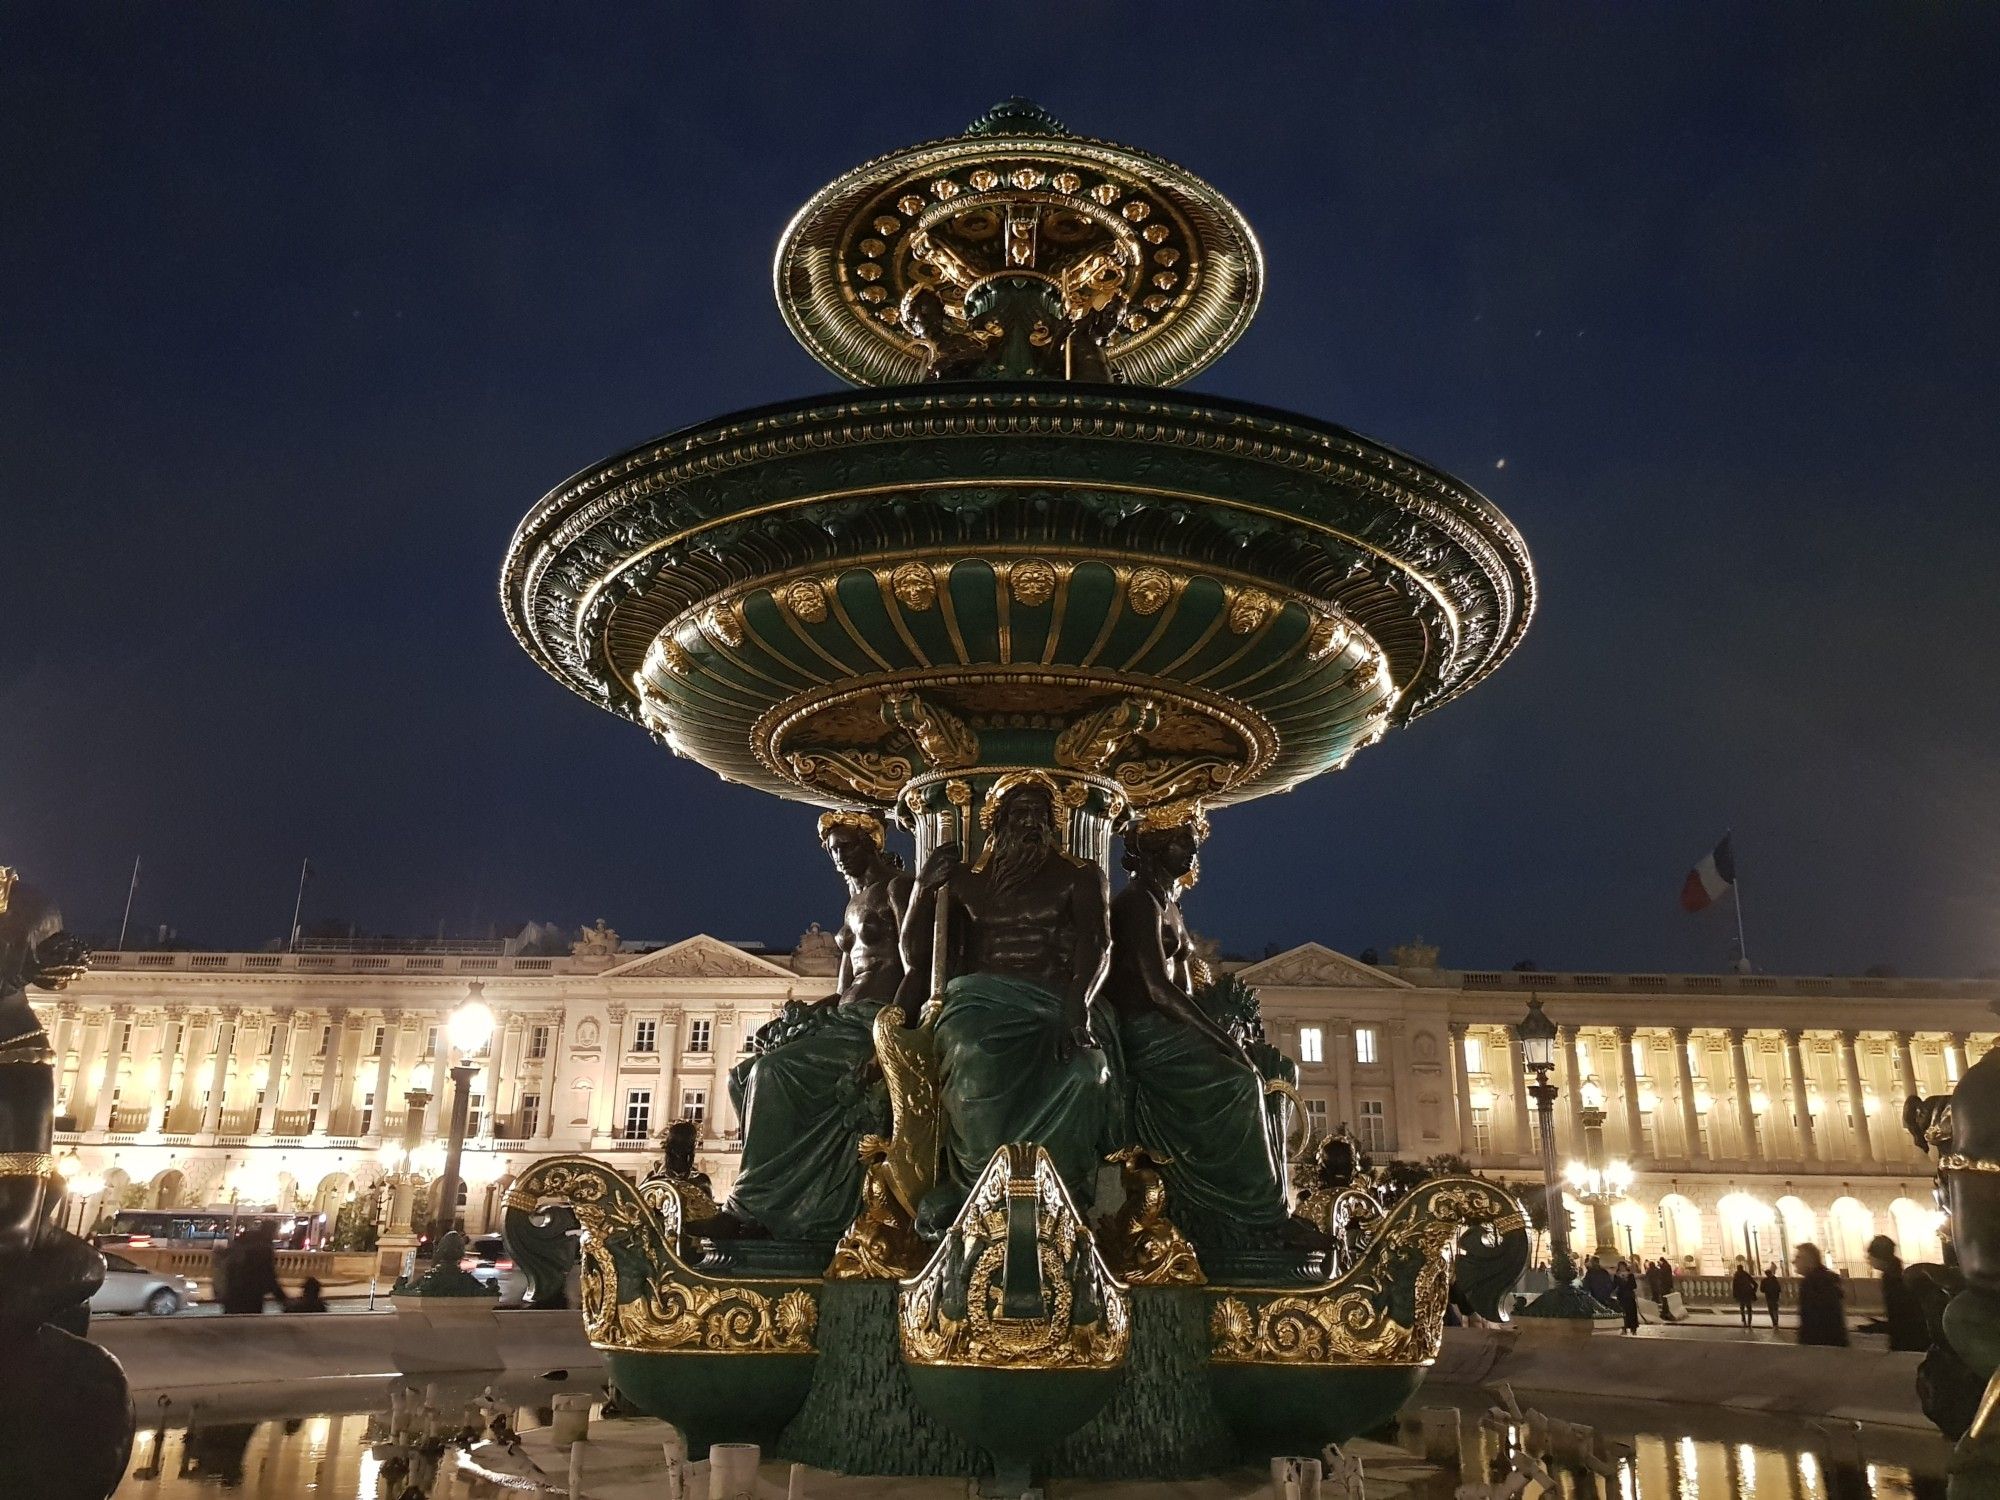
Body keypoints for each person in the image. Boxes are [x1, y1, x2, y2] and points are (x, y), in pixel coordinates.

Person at [1101, 803, 1323, 1252]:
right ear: (1152, 846)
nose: (1192, 848)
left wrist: (1229, 1034)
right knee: (1239, 1082)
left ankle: (1269, 1197)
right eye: (1183, 840)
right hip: (1146, 1032)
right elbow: (1155, 987)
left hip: (1170, 1028)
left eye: (1192, 840)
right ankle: (1259, 1216)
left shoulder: (1169, 908)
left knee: (1270, 1069)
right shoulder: (1136, 903)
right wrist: (1219, 1038)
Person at [900, 772, 1114, 1234]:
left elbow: (1097, 944)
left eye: (1040, 813)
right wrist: (922, 890)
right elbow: (918, 959)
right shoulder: (963, 882)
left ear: (1055, 824)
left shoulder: (1080, 876)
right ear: (996, 822)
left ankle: (1064, 1196)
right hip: (980, 1003)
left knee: (1086, 1072)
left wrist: (1077, 1005)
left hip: (1055, 1001)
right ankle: (976, 1189)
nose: (1031, 822)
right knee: (972, 1051)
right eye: (1019, 813)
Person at [710, 811, 911, 1242]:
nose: (839, 857)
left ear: (872, 843)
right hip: (845, 1018)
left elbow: (918, 968)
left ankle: (749, 1208)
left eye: (848, 847)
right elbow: (843, 988)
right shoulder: (853, 901)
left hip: (875, 1020)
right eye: (833, 850)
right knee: (741, 1076)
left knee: (773, 1072)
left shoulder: (898, 888)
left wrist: (891, 1040)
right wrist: (802, 1013)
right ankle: (777, 1203)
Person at [1867, 1234, 1929, 1351]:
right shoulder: (1895, 1275)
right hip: (1909, 1340)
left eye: (1870, 1255)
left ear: (1880, 1257)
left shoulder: (1892, 1280)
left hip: (1908, 1342)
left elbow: (1901, 1319)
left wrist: (1878, 1327)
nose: (1868, 1259)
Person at [219, 1224, 286, 1315]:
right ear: (272, 1232)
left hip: (233, 1292)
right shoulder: (264, 1248)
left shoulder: (246, 1241)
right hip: (252, 1295)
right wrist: (283, 1299)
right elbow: (268, 1275)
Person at [1794, 1243, 1849, 1346]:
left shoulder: (1810, 1283)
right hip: (1834, 1343)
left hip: (1820, 1346)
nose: (1794, 1261)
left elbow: (1811, 1321)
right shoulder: (1828, 1279)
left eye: (1798, 1257)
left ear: (1809, 1261)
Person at [1613, 1259, 1641, 1335]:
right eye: (1620, 1267)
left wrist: (1626, 1282)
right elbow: (1614, 1285)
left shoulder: (1630, 1275)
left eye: (1623, 1266)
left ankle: (1633, 1328)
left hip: (1629, 1297)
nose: (1622, 1268)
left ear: (1625, 1267)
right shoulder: (1617, 1276)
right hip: (1621, 1297)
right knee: (1623, 1313)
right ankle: (1624, 1328)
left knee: (1632, 1313)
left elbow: (1634, 1285)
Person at [1732, 1258, 1758, 1329]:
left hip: (1741, 1295)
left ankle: (1744, 1322)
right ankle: (1749, 1323)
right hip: (1747, 1294)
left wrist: (1735, 1295)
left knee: (1742, 1308)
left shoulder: (1736, 1276)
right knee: (1749, 1309)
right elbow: (1755, 1284)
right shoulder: (1746, 1274)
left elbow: (1734, 1287)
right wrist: (1753, 1291)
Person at [1761, 1263, 1783, 1329]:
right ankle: (1776, 1323)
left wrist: (1766, 1290)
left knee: (1771, 1310)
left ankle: (1774, 1323)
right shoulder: (1775, 1279)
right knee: (1775, 1310)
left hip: (1768, 1297)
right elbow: (1779, 1288)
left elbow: (1762, 1289)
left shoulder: (1764, 1281)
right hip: (1775, 1297)